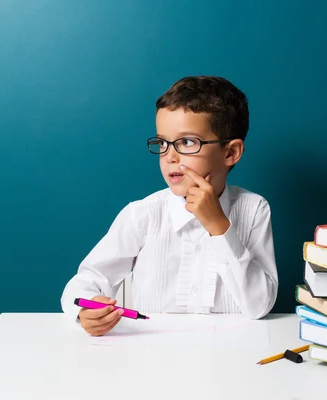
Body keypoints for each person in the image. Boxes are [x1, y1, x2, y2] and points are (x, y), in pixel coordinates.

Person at [60, 76, 278, 336]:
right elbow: (85, 281)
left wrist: (219, 227)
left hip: (230, 356)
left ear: (230, 153)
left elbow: (259, 305)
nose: (170, 156)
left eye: (187, 142)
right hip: (151, 356)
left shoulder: (254, 209)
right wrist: (86, 309)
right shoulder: (143, 214)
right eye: (163, 143)